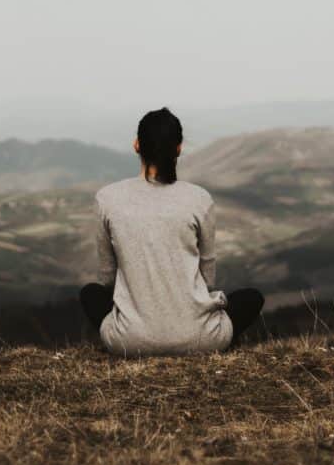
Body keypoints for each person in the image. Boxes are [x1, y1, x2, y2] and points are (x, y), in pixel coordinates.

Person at [79, 106, 264, 356]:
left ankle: (138, 333)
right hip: (201, 339)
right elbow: (207, 278)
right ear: (178, 149)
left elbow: (108, 278)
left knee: (90, 294)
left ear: (136, 145)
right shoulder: (199, 198)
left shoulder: (107, 198)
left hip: (129, 342)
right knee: (251, 297)